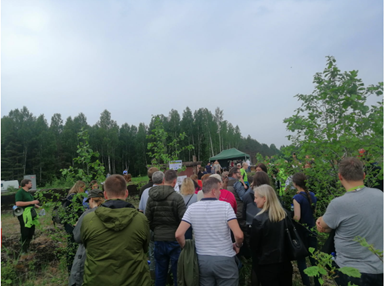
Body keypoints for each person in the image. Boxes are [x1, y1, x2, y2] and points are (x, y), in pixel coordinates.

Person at [316, 157, 383, 286]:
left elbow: (323, 225)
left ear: (340, 176)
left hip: (352, 272)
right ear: (363, 175)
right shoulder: (380, 195)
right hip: (380, 268)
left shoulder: (338, 204)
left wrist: (320, 220)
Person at [81, 175, 151, 286]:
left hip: (97, 280)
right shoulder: (141, 219)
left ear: (105, 194)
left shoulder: (88, 220)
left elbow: (87, 246)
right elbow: (145, 247)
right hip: (135, 280)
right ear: (126, 193)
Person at [175, 177, 244, 286]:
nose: (220, 193)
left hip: (202, 259)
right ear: (213, 191)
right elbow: (239, 235)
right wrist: (238, 245)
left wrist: (187, 247)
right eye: (219, 190)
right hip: (225, 258)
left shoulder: (192, 208)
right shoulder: (226, 207)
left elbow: (178, 234)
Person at [145, 170, 186, 286]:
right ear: (174, 182)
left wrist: (156, 230)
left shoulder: (151, 198)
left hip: (158, 238)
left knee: (160, 272)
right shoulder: (177, 198)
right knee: (177, 272)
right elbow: (183, 219)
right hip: (174, 239)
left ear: (163, 181)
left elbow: (147, 219)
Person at [251, 184, 292, 286]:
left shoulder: (258, 220)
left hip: (266, 264)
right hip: (285, 262)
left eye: (256, 197)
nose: (254, 200)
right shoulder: (285, 215)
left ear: (264, 198)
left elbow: (254, 246)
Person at [70, 189, 105, 286]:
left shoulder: (86, 215)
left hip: (88, 253)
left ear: (91, 200)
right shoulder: (109, 212)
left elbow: (77, 237)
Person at [292, 173, 320, 286]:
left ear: (295, 184)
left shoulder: (297, 198)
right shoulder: (312, 195)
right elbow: (314, 212)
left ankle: (306, 282)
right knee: (314, 258)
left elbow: (297, 217)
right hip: (312, 229)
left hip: (301, 232)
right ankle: (318, 282)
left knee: (302, 259)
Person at [64, 181, 86, 273]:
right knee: (72, 246)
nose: (84, 191)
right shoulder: (74, 197)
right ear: (80, 188)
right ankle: (71, 267)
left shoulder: (70, 196)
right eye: (84, 188)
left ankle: (71, 266)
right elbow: (74, 212)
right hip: (72, 225)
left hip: (69, 224)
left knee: (72, 245)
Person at [15, 179, 41, 254]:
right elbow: (18, 203)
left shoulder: (28, 193)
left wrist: (37, 206)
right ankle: (23, 249)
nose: (31, 184)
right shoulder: (20, 192)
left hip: (31, 213)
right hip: (24, 214)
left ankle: (27, 248)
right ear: (26, 184)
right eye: (30, 183)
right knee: (25, 231)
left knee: (31, 231)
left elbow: (30, 203)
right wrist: (32, 202)